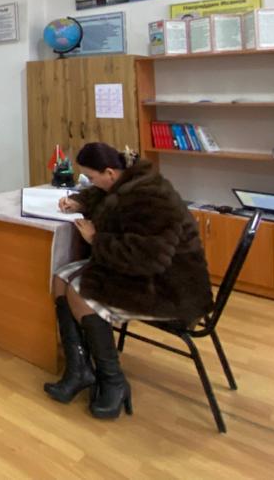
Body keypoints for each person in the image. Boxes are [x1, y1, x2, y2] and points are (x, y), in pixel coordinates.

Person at [44, 143, 212, 420]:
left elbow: (149, 257)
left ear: (110, 172)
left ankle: (113, 380)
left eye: (92, 177)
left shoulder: (149, 198)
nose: (91, 183)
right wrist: (80, 201)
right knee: (61, 279)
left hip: (169, 284)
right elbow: (103, 197)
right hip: (143, 272)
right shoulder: (125, 182)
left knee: (79, 293)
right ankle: (80, 369)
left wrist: (96, 239)